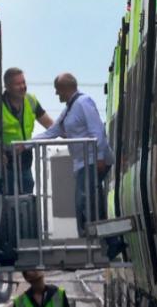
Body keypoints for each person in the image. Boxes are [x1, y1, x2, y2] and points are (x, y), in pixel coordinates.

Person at [33, 73, 112, 236]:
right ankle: (103, 239)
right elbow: (53, 131)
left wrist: (99, 157)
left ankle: (100, 239)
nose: (56, 94)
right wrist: (26, 144)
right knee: (86, 201)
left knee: (84, 201)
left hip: (91, 160)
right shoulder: (69, 109)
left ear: (65, 89)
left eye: (57, 90)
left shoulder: (84, 103)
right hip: (82, 162)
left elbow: (97, 131)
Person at [0, 67, 54, 195]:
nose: (23, 87)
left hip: (25, 161)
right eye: (18, 84)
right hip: (5, 163)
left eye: (23, 82)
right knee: (7, 198)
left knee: (27, 193)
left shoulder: (31, 100)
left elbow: (51, 126)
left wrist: (67, 131)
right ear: (7, 87)